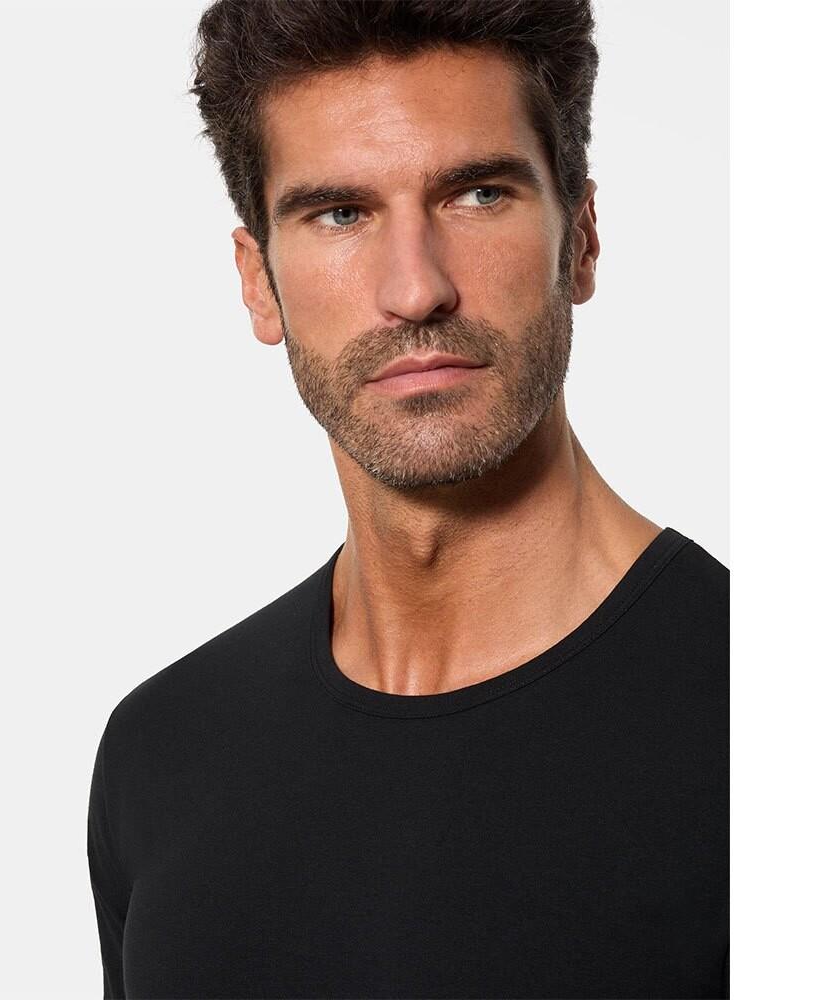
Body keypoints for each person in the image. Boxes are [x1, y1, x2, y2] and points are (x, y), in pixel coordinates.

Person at [87, 2, 729, 997]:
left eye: (477, 194)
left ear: (581, 239)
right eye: (340, 214)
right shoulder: (163, 756)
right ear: (259, 283)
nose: (416, 289)